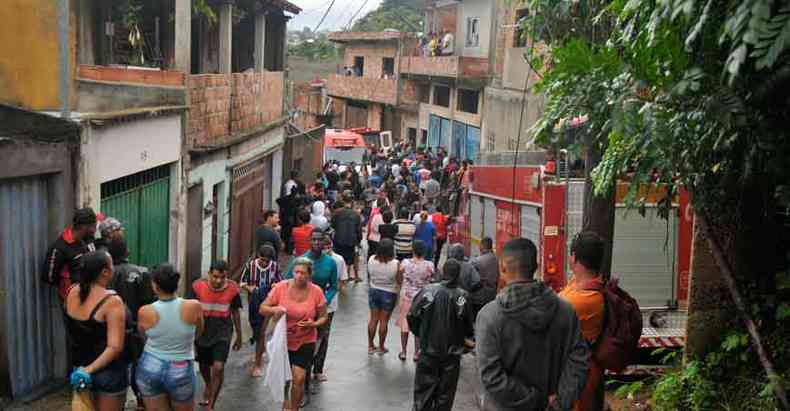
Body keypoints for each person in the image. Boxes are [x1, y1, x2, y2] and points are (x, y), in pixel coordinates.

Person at [475, 238, 589, 411]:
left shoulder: (489, 316)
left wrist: (536, 400)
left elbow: (492, 377)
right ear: (536, 266)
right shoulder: (566, 311)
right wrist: (559, 402)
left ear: (503, 268)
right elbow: (579, 361)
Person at [260, 257, 329, 411]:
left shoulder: (316, 291)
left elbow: (324, 316)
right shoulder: (280, 288)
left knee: (298, 378)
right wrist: (274, 310)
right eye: (296, 272)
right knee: (285, 378)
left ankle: (294, 408)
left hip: (305, 340)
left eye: (303, 273)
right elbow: (262, 308)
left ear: (309, 275)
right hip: (283, 341)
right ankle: (285, 402)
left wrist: (313, 324)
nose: (299, 276)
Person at [65, 250, 128, 411]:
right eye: (111, 265)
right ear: (105, 272)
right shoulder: (112, 301)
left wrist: (83, 370)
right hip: (107, 372)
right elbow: (115, 347)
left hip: (79, 369)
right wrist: (89, 370)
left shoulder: (71, 291)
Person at [407, 259, 474, 411]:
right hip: (451, 357)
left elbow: (412, 316)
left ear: (443, 272)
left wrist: (422, 333)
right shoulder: (463, 297)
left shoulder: (427, 291)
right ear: (458, 275)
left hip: (428, 353)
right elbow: (469, 330)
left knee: (422, 397)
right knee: (445, 398)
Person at [136, 264, 204, 411]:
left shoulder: (145, 311)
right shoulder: (194, 306)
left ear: (155, 286)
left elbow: (143, 337)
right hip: (181, 368)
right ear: (177, 283)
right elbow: (198, 332)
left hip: (150, 366)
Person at [559, 232, 607, 411]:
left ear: (573, 258)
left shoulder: (585, 298)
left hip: (578, 377)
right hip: (573, 372)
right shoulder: (578, 284)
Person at [106, 238, 154, 409]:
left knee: (117, 366)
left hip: (110, 331)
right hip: (136, 330)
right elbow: (149, 303)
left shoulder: (104, 276)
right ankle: (141, 400)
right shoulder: (141, 273)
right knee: (138, 365)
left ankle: (118, 402)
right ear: (127, 253)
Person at [192, 261, 243, 411]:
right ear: (209, 274)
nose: (219, 280)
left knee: (219, 367)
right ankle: (209, 384)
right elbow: (189, 309)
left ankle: (212, 404)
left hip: (223, 332)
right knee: (203, 366)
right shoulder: (197, 286)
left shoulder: (233, 289)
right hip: (202, 331)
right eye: (215, 276)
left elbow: (235, 312)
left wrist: (239, 335)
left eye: (223, 277)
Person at [239, 244, 282, 377]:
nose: (264, 263)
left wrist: (274, 286)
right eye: (262, 260)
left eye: (267, 261)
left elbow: (280, 283)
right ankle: (261, 349)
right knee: (255, 327)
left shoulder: (275, 267)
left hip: (268, 302)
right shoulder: (250, 266)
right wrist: (250, 288)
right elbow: (242, 282)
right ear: (258, 256)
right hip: (253, 302)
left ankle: (257, 364)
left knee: (261, 331)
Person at [42, 207, 98, 301]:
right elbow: (49, 277)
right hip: (72, 301)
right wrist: (69, 281)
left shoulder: (88, 240)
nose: (95, 230)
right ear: (84, 227)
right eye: (93, 226)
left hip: (90, 296)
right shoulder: (60, 248)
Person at [312, 237, 346, 384]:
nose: (325, 250)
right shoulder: (310, 259)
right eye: (323, 246)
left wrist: (327, 297)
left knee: (324, 337)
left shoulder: (338, 261)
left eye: (328, 247)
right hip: (309, 305)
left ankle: (318, 369)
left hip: (329, 306)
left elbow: (341, 281)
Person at [396, 240, 435, 362]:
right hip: (422, 299)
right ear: (424, 251)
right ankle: (417, 353)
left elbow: (398, 277)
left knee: (405, 324)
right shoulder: (429, 265)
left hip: (406, 297)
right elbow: (434, 278)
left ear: (412, 250)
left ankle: (403, 352)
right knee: (419, 325)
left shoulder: (405, 263)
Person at [366, 238, 401, 355]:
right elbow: (399, 281)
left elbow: (369, 275)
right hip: (389, 293)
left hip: (374, 290)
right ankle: (381, 347)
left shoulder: (371, 259)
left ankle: (370, 346)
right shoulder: (395, 264)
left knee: (373, 319)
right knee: (384, 321)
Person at [331, 199, 362, 282]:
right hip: (351, 242)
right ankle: (346, 277)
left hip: (339, 241)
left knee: (340, 258)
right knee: (348, 260)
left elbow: (332, 225)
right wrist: (358, 241)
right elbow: (359, 231)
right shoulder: (356, 214)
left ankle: (340, 277)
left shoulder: (337, 213)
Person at [470, 237, 499, 321]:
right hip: (491, 296)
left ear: (482, 246)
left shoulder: (477, 261)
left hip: (479, 298)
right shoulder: (496, 259)